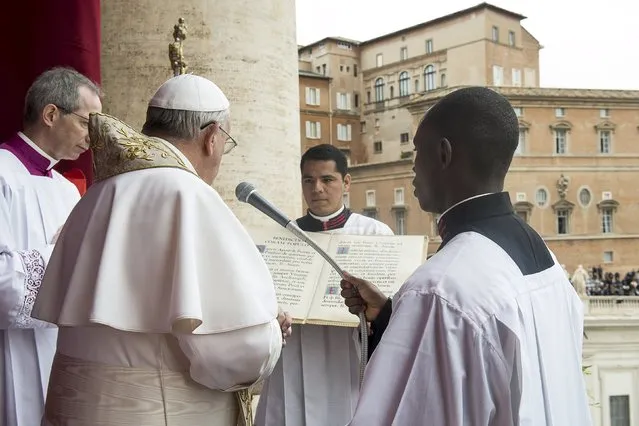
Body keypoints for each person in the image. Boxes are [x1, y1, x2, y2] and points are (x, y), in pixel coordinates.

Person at [31, 74, 292, 426]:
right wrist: (271, 330)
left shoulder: (97, 193)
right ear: (212, 137)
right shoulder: (188, 196)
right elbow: (232, 354)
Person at [340, 87, 592, 425]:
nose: (412, 167)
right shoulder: (543, 255)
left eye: (416, 152)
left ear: (444, 154)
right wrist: (389, 316)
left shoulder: (438, 289)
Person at [255, 144, 393, 426]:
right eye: (309, 180)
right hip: (294, 354)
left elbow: (392, 305)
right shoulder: (282, 236)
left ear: (346, 183)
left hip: (347, 358)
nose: (317, 188)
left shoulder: (374, 234)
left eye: (327, 179)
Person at [0, 67, 102, 426]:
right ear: (51, 114)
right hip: (10, 357)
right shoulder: (2, 173)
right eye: (86, 122)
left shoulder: (66, 188)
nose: (93, 137)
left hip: (65, 357)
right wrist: (59, 253)